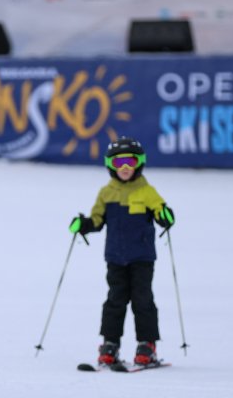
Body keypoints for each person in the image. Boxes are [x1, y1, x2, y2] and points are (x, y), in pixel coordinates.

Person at [68, 137, 175, 367]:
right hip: (116, 258)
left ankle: (147, 345)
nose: (125, 168)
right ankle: (110, 344)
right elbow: (97, 220)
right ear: (110, 166)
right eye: (119, 163)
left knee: (142, 300)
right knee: (115, 301)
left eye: (130, 162)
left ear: (139, 163)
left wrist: (165, 217)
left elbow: (160, 212)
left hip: (142, 258)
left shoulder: (147, 191)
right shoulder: (106, 193)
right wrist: (84, 224)